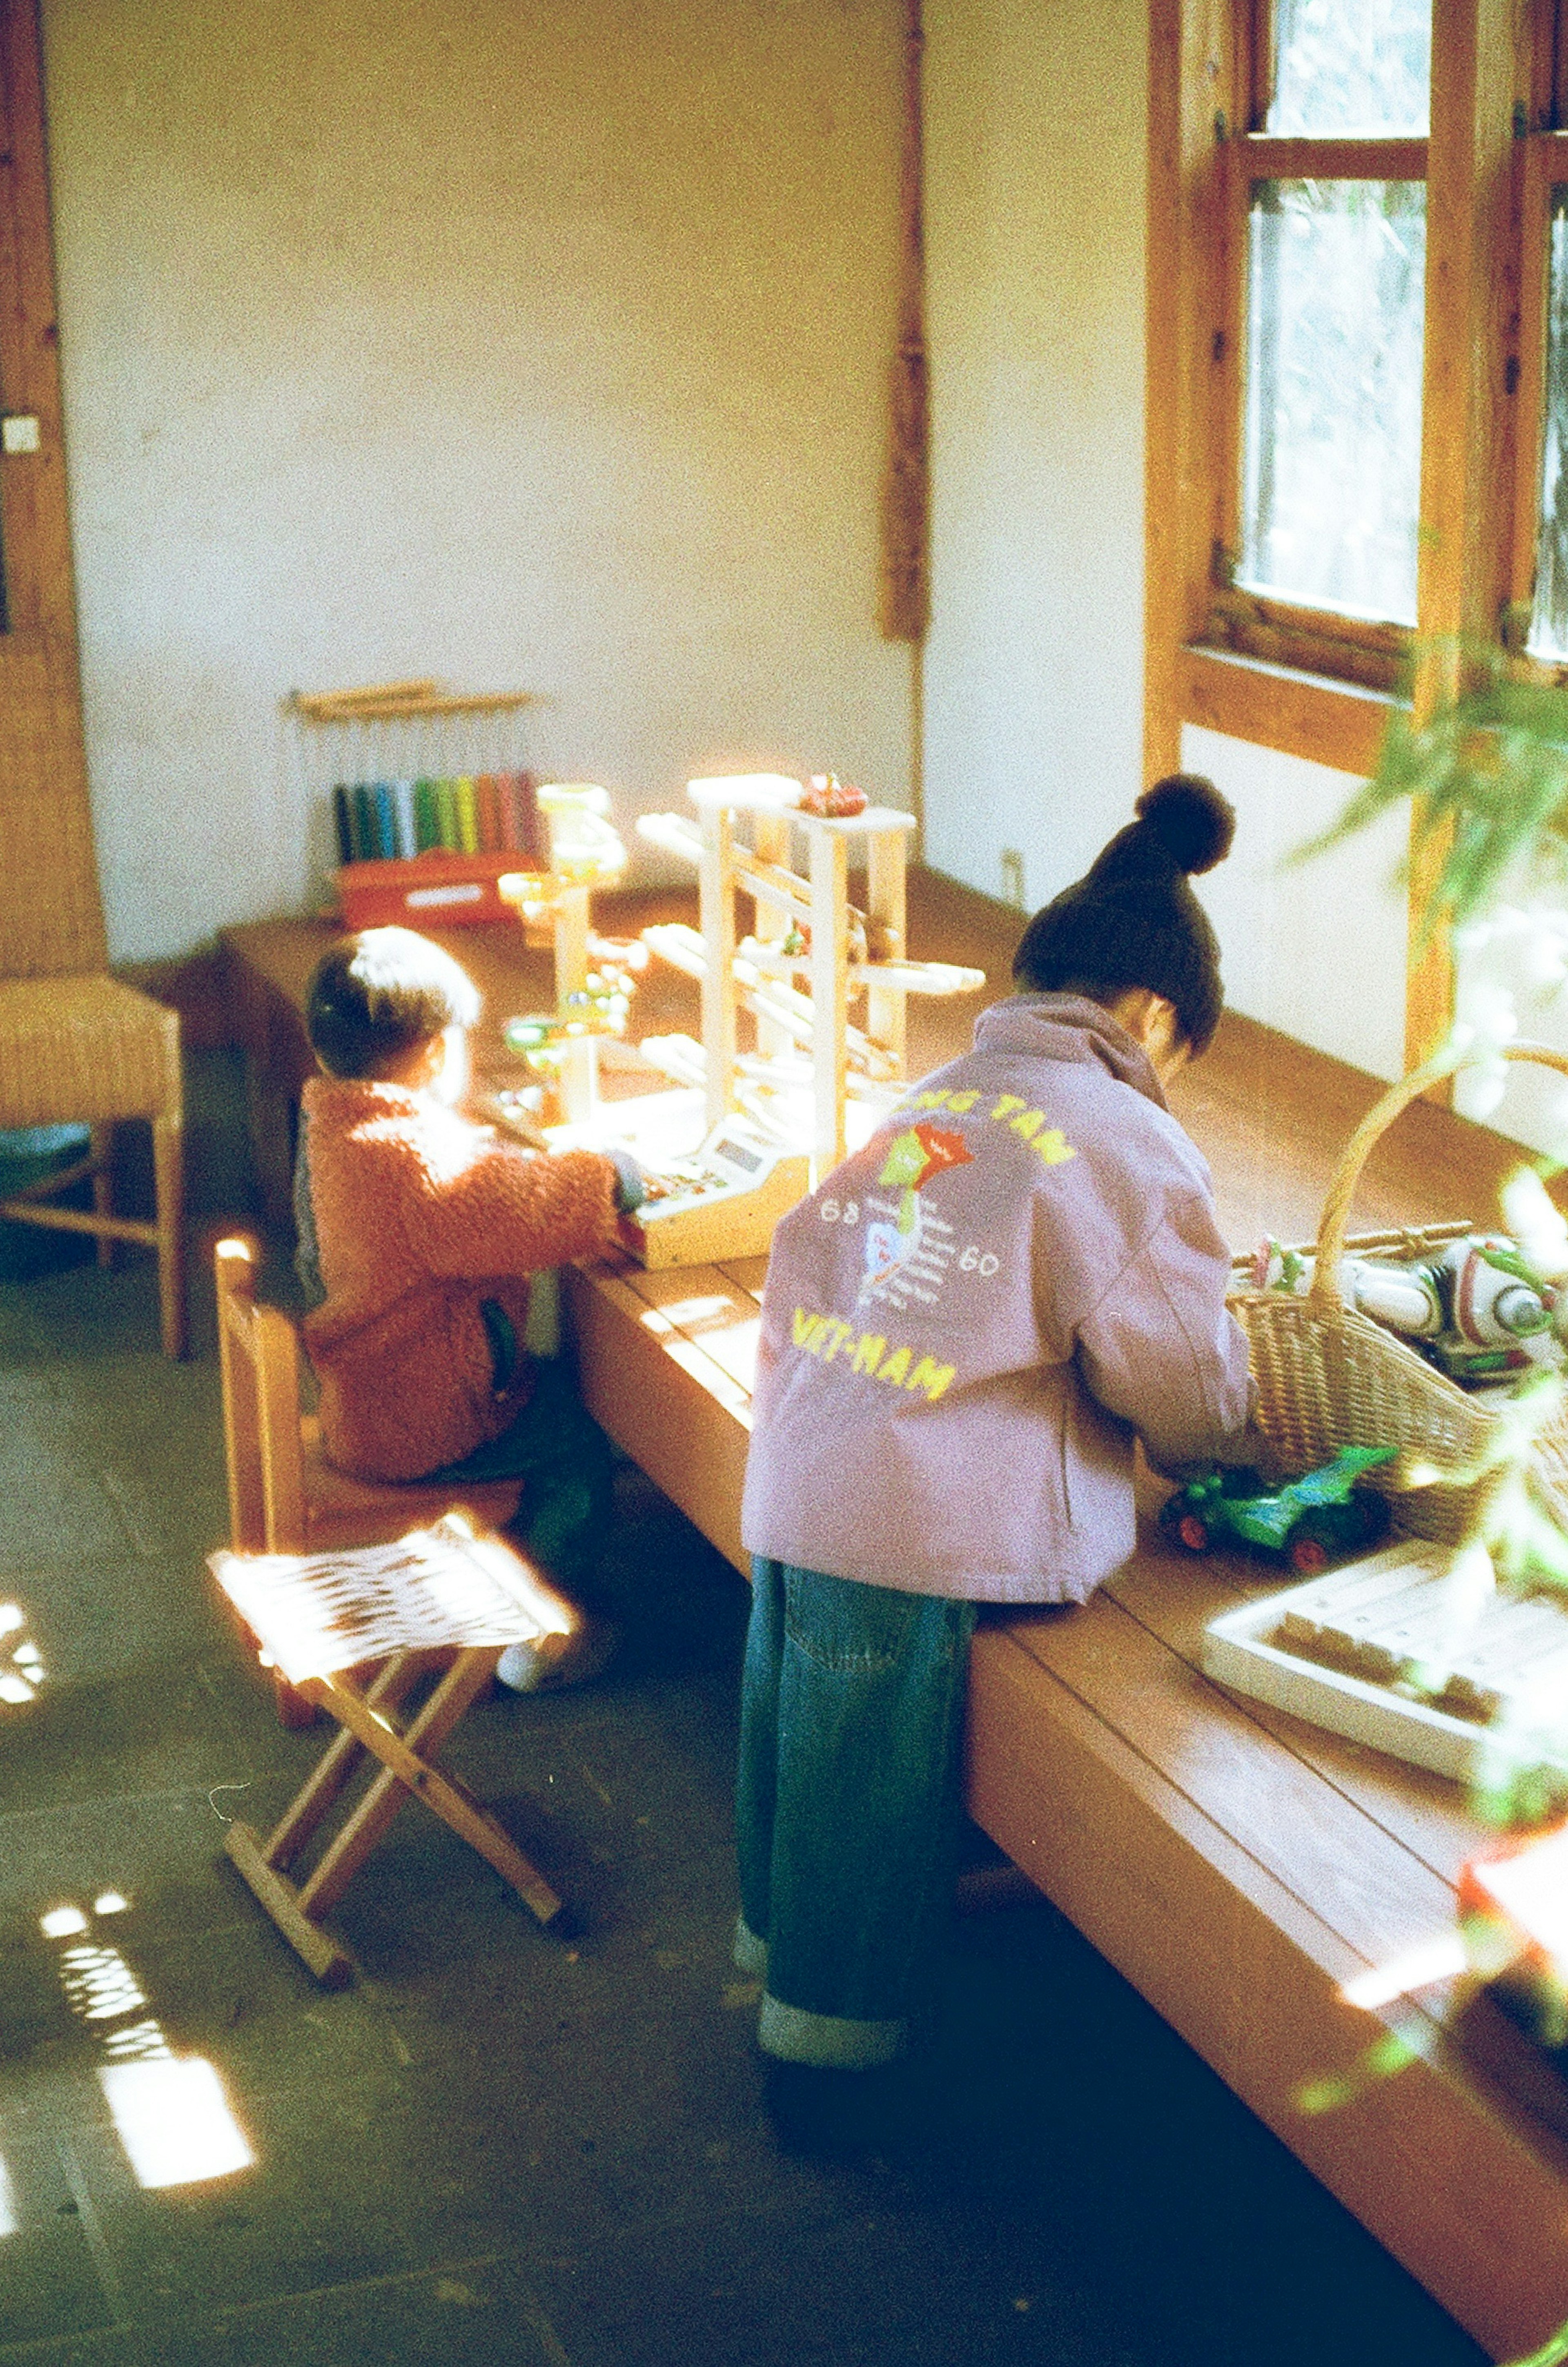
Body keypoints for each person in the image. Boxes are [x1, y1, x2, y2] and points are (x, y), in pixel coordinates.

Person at [736, 776, 1253, 2100]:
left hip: (804, 1462)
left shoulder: (940, 1091)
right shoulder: (1127, 1136)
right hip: (915, 1513)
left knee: (799, 1743)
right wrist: (1224, 1451)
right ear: (1151, 1014)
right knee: (870, 1798)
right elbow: (1183, 1378)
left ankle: (772, 1956)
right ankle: (825, 2073)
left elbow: (804, 1271)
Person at [293, 926, 643, 1689]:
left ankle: (510, 1584)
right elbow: (518, 1205)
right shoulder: (410, 1163)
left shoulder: (336, 1127)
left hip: (371, 1400)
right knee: (577, 1450)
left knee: (547, 1392)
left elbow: (460, 1193)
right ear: (435, 1054)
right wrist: (617, 1172)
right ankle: (537, 1632)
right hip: (426, 1424)